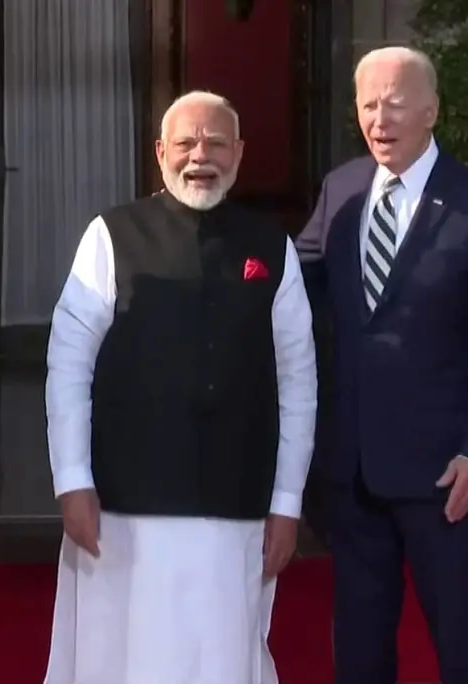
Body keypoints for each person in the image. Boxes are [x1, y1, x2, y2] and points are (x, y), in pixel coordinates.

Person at [43, 90, 317, 684]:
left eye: (216, 143)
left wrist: (286, 504)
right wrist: (72, 481)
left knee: (221, 658)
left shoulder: (271, 246)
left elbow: (298, 382)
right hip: (121, 506)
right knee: (118, 659)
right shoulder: (111, 235)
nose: (201, 156)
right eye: (187, 142)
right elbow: (68, 364)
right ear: (160, 152)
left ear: (238, 153)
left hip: (235, 504)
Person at [296, 46, 468, 684]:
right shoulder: (341, 190)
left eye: (395, 104)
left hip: (445, 475)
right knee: (359, 650)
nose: (380, 119)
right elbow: (292, 279)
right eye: (368, 105)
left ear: (431, 110)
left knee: (461, 646)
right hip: (354, 470)